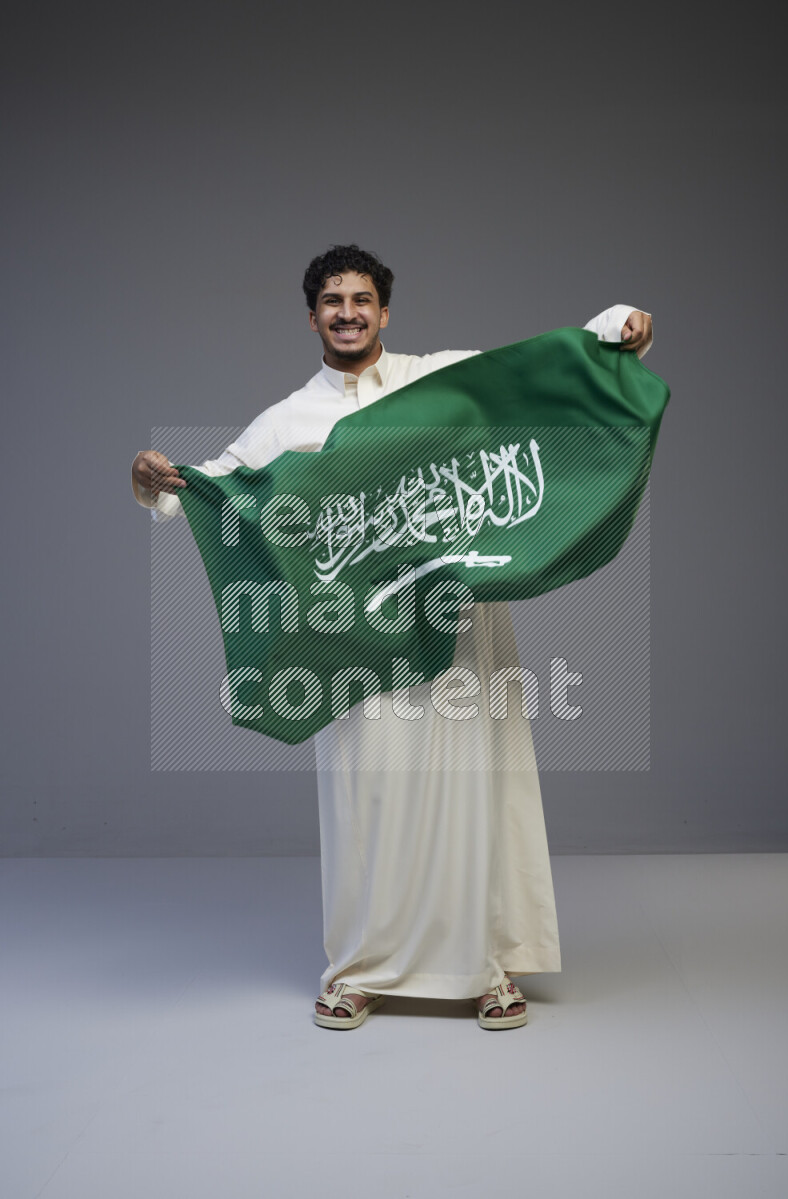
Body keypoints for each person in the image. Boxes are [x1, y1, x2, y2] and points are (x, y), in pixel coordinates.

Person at [132, 245, 653, 1030]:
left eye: (361, 299)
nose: (348, 312)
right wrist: (154, 485)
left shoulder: (437, 381)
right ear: (312, 317)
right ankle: (359, 969)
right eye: (332, 301)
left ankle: (486, 967)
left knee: (472, 787)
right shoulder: (287, 420)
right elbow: (209, 488)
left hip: (453, 619)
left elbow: (541, 372)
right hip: (357, 639)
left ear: (384, 311)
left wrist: (616, 328)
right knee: (366, 799)